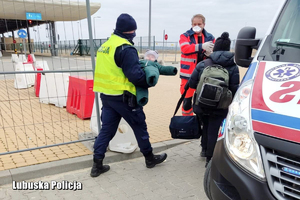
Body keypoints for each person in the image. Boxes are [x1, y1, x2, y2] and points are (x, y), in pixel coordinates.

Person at [91, 13, 167, 178]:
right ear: (129, 31)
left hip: (107, 96)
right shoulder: (126, 48)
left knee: (106, 130)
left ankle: (97, 165)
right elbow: (135, 76)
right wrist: (149, 80)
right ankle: (149, 158)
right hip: (125, 98)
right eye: (133, 30)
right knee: (140, 127)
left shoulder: (105, 46)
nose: (134, 33)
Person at [188, 32, 240, 167]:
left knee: (205, 125)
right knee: (214, 129)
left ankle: (204, 150)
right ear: (229, 49)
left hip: (201, 103)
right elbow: (234, 89)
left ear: (215, 48)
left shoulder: (203, 63)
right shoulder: (233, 66)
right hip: (220, 105)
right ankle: (210, 159)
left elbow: (192, 84)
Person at [179, 14, 215, 116]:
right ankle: (187, 121)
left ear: (204, 24)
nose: (197, 26)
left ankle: (201, 123)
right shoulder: (185, 36)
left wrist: (211, 54)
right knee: (186, 101)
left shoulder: (210, 37)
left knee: (203, 100)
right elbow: (185, 49)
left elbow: (214, 52)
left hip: (204, 74)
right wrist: (201, 46)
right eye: (194, 24)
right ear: (191, 24)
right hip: (188, 75)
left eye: (199, 24)